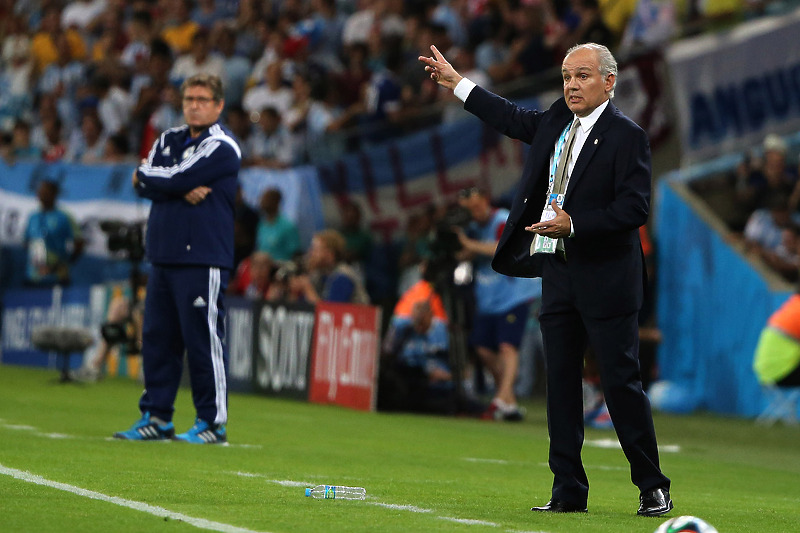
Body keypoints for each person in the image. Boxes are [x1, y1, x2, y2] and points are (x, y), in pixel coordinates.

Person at [419, 42, 672, 516]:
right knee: (560, 383)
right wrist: (459, 85)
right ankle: (568, 491)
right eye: (566, 77)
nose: (572, 85)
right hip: (557, 270)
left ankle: (652, 485)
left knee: (620, 381)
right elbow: (514, 119)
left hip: (607, 276)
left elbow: (634, 208)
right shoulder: (558, 119)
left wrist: (573, 223)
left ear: (609, 82)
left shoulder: (626, 136)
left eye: (582, 76)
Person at [113, 73, 240, 445]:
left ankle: (212, 422)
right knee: (157, 338)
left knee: (203, 340)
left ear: (218, 105)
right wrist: (172, 185)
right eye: (189, 99)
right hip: (164, 253)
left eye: (202, 99)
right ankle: (157, 416)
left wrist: (161, 181)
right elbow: (141, 180)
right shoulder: (168, 138)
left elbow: (164, 177)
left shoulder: (222, 146)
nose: (194, 105)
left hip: (202, 256)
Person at [456, 187, 541, 421]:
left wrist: (469, 244)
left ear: (485, 200)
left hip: (513, 294)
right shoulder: (471, 228)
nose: (474, 212)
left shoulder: (503, 219)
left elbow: (502, 247)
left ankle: (501, 397)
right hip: (488, 298)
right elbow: (464, 255)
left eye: (476, 205)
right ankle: (509, 402)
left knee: (507, 347)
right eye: (469, 209)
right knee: (482, 348)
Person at [378, 300, 455, 414]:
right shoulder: (403, 329)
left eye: (422, 321)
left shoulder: (443, 330)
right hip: (409, 378)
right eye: (416, 320)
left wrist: (449, 376)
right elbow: (386, 355)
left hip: (438, 382)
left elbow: (460, 367)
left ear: (431, 315)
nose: (419, 326)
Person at [24, 180, 84, 287]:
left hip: (58, 278)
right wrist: (38, 260)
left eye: (45, 192)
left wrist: (64, 264)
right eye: (40, 192)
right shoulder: (33, 217)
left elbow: (79, 243)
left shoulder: (64, 217)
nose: (41, 195)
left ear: (54, 195)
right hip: (34, 277)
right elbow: (26, 241)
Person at [290, 229, 370, 305]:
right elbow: (300, 308)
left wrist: (307, 288)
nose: (310, 253)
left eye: (315, 249)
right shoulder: (318, 274)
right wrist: (295, 291)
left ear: (329, 254)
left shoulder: (343, 276)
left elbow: (330, 313)